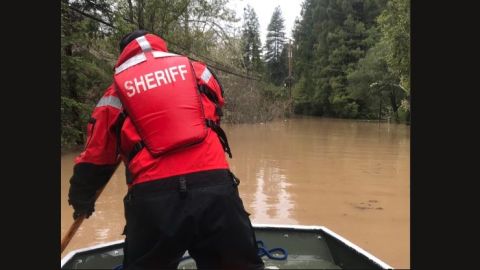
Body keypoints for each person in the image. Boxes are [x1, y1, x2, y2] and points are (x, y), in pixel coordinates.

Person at [68, 30, 265, 270]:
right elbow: (217, 105)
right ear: (161, 46)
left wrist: (81, 198)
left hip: (154, 202)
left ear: (123, 55)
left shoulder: (114, 93)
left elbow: (96, 157)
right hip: (215, 191)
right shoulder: (199, 72)